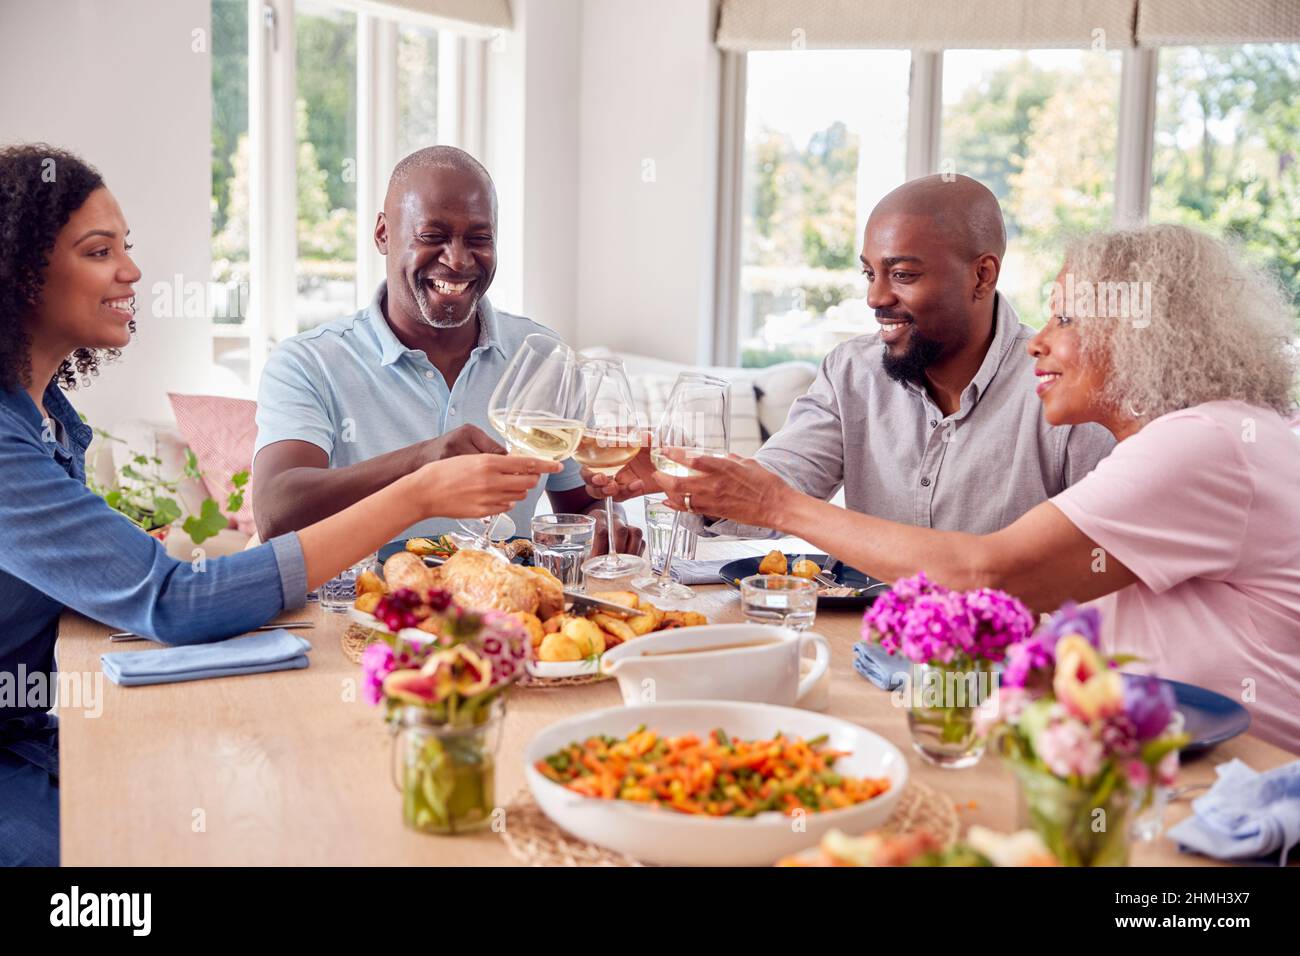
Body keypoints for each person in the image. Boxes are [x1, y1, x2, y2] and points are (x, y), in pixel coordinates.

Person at [0, 144, 561, 865]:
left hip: (35, 733)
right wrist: (417, 490)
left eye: (125, 247)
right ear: (19, 274)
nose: (132, 271)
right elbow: (177, 602)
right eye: (99, 250)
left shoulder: (51, 419)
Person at [654, 225, 1300, 750]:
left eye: (1066, 319)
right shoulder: (1206, 433)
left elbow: (988, 575)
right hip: (1153, 752)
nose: (1037, 343)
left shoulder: (1200, 443)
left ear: (1142, 334)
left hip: (1239, 773)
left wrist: (776, 505)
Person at [585, 174, 1115, 538]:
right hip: (869, 648)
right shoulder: (851, 371)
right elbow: (779, 485)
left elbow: (1092, 560)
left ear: (983, 274)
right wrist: (687, 481)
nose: (876, 297)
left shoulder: (1061, 386)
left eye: (903, 275)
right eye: (870, 272)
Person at [253, 146, 640, 553]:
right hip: (362, 610)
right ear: (383, 234)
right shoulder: (309, 362)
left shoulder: (543, 358)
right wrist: (423, 462)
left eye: (479, 239)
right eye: (432, 237)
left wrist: (603, 525)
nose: (457, 261)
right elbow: (277, 512)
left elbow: (588, 500)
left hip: (503, 610)